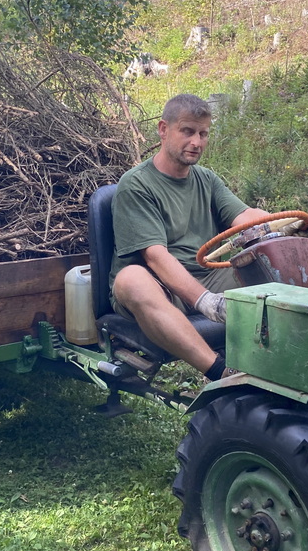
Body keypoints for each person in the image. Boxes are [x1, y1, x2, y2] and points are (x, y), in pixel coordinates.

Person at [109, 93, 271, 381]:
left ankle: (290, 361)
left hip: (209, 275)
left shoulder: (207, 179)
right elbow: (155, 257)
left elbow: (245, 217)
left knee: (275, 259)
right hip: (161, 288)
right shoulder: (136, 185)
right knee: (130, 279)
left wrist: (281, 226)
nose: (196, 142)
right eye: (187, 131)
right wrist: (205, 301)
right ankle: (221, 373)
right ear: (163, 129)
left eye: (203, 134)